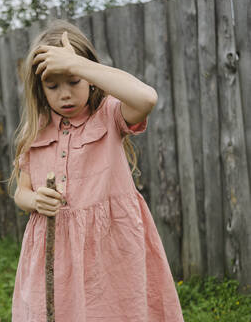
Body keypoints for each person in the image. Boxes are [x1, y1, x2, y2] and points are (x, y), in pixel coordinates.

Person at [10, 20, 183, 321]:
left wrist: (78, 64)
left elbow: (147, 98)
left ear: (89, 77)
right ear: (40, 89)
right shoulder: (36, 134)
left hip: (111, 250)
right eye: (53, 86)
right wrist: (35, 200)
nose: (65, 94)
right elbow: (20, 192)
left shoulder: (109, 116)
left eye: (73, 80)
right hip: (54, 256)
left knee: (114, 311)